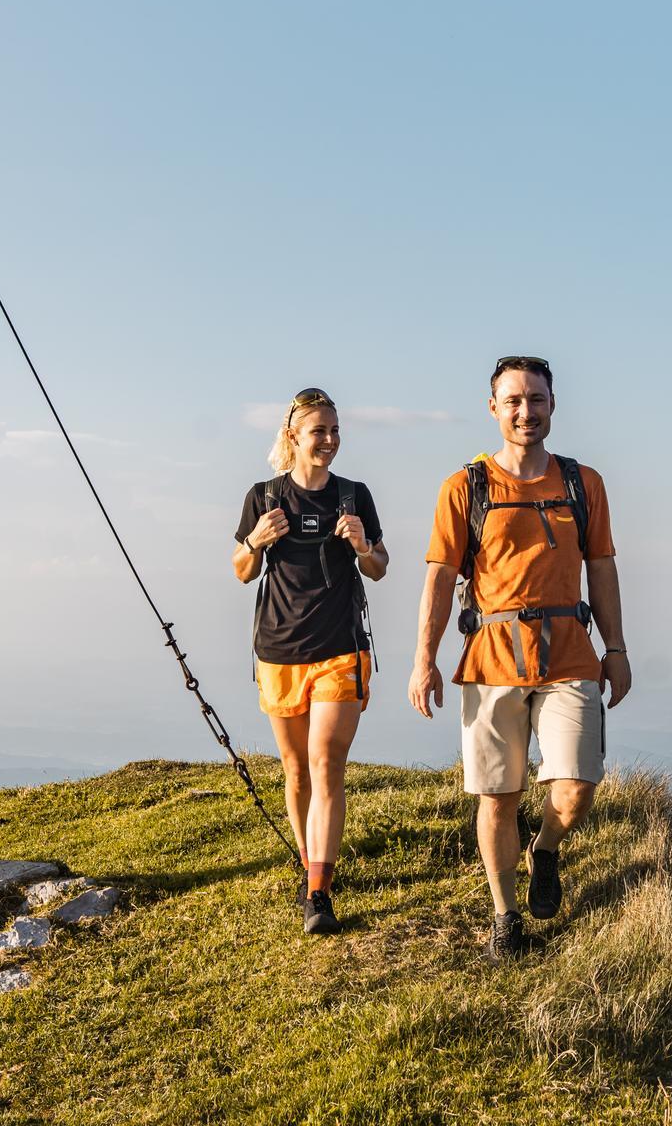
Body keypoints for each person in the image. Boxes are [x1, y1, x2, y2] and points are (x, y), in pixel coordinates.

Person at [408, 355, 631, 961]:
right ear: (493, 409)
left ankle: (547, 849)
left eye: (536, 399)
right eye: (513, 401)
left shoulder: (584, 484)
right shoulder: (466, 487)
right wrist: (424, 658)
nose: (525, 411)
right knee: (497, 797)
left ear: (553, 406)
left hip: (570, 653)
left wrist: (616, 648)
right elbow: (439, 576)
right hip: (490, 657)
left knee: (576, 789)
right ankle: (506, 915)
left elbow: (602, 568)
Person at [233, 387, 387, 935]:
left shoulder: (353, 495)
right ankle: (309, 866)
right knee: (296, 770)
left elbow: (379, 568)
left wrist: (363, 545)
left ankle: (319, 892)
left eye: (335, 431)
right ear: (293, 435)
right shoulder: (265, 496)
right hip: (278, 651)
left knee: (326, 763)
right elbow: (241, 570)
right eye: (319, 430)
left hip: (340, 648)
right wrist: (255, 540)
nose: (329, 440)